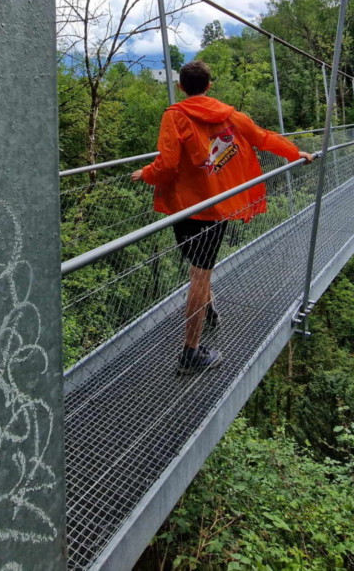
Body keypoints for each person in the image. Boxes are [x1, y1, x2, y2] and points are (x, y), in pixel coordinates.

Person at [132, 60, 313, 374]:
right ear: (209, 85)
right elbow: (263, 138)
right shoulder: (230, 116)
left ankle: (204, 319)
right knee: (200, 276)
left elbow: (168, 164)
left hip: (184, 209)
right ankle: (191, 353)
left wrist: (145, 174)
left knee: (198, 272)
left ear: (180, 87)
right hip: (215, 208)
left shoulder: (174, 116)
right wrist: (293, 152)